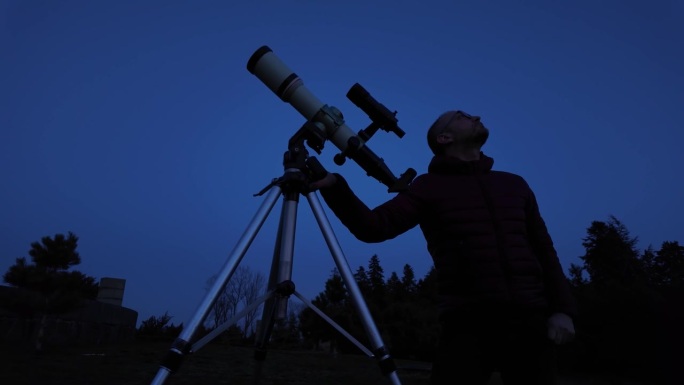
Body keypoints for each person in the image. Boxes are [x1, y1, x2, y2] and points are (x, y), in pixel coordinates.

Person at [309, 110, 577, 385]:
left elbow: (545, 251)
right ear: (444, 137)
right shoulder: (427, 188)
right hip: (467, 325)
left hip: (530, 321)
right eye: (462, 116)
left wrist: (562, 310)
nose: (475, 116)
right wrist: (335, 186)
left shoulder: (514, 184)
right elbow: (374, 226)